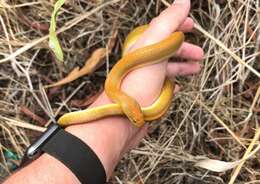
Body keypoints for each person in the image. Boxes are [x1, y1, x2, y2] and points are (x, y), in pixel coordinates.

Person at [4, 0, 204, 183]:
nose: (138, 118)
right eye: (133, 117)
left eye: (134, 117)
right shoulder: (117, 92)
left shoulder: (117, 89)